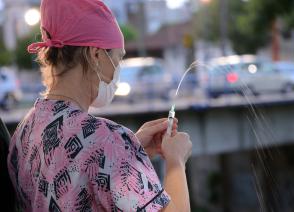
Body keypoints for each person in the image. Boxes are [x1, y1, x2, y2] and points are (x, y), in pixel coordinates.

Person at [7, 0, 192, 211]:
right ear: (95, 55)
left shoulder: (24, 131)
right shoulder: (107, 141)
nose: (118, 68)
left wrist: (131, 149)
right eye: (118, 58)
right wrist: (176, 162)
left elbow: (73, 170)